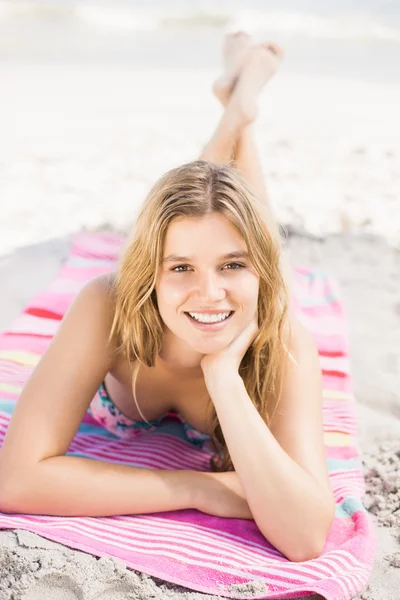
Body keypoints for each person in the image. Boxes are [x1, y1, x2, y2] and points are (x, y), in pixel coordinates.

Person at [0, 32, 335, 561]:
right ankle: (236, 107)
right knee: (204, 212)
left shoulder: (284, 334)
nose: (208, 292)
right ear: (149, 274)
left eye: (234, 266)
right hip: (145, 295)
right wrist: (196, 488)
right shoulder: (108, 307)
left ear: (258, 276)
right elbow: (16, 479)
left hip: (262, 307)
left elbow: (308, 535)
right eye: (179, 268)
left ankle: (235, 109)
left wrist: (224, 377)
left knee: (230, 220)